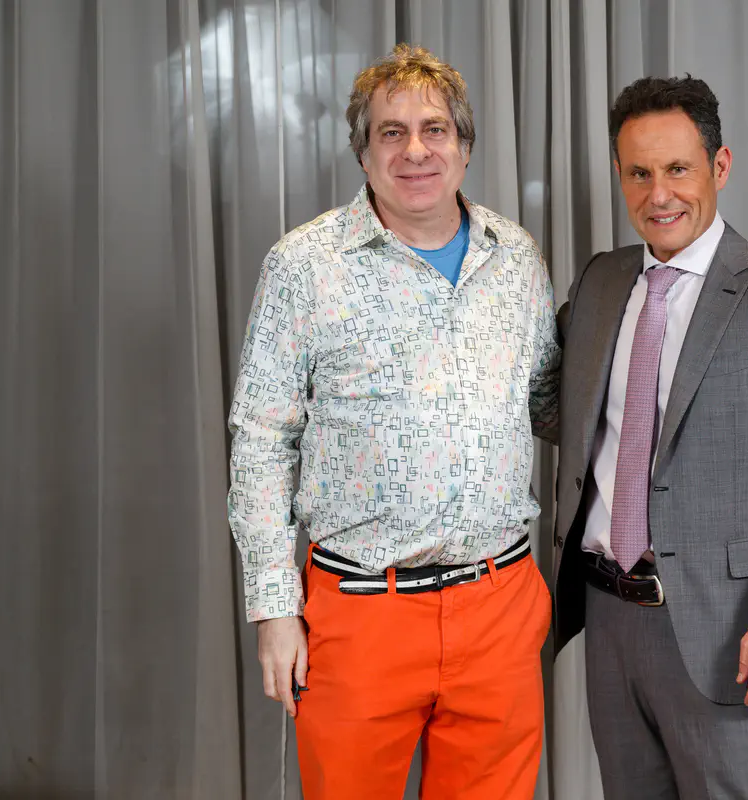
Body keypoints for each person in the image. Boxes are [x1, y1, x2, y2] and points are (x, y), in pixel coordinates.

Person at [227, 43, 560, 799]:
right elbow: (261, 442)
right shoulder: (304, 265)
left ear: (464, 147)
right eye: (392, 132)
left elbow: (549, 405)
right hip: (359, 616)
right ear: (364, 152)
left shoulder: (516, 258)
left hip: (499, 606)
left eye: (435, 129)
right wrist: (274, 609)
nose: (416, 150)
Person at [552, 75, 748, 799]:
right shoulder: (601, 282)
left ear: (720, 167)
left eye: (678, 169)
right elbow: (554, 409)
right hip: (609, 619)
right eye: (639, 173)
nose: (659, 194)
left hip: (727, 631)